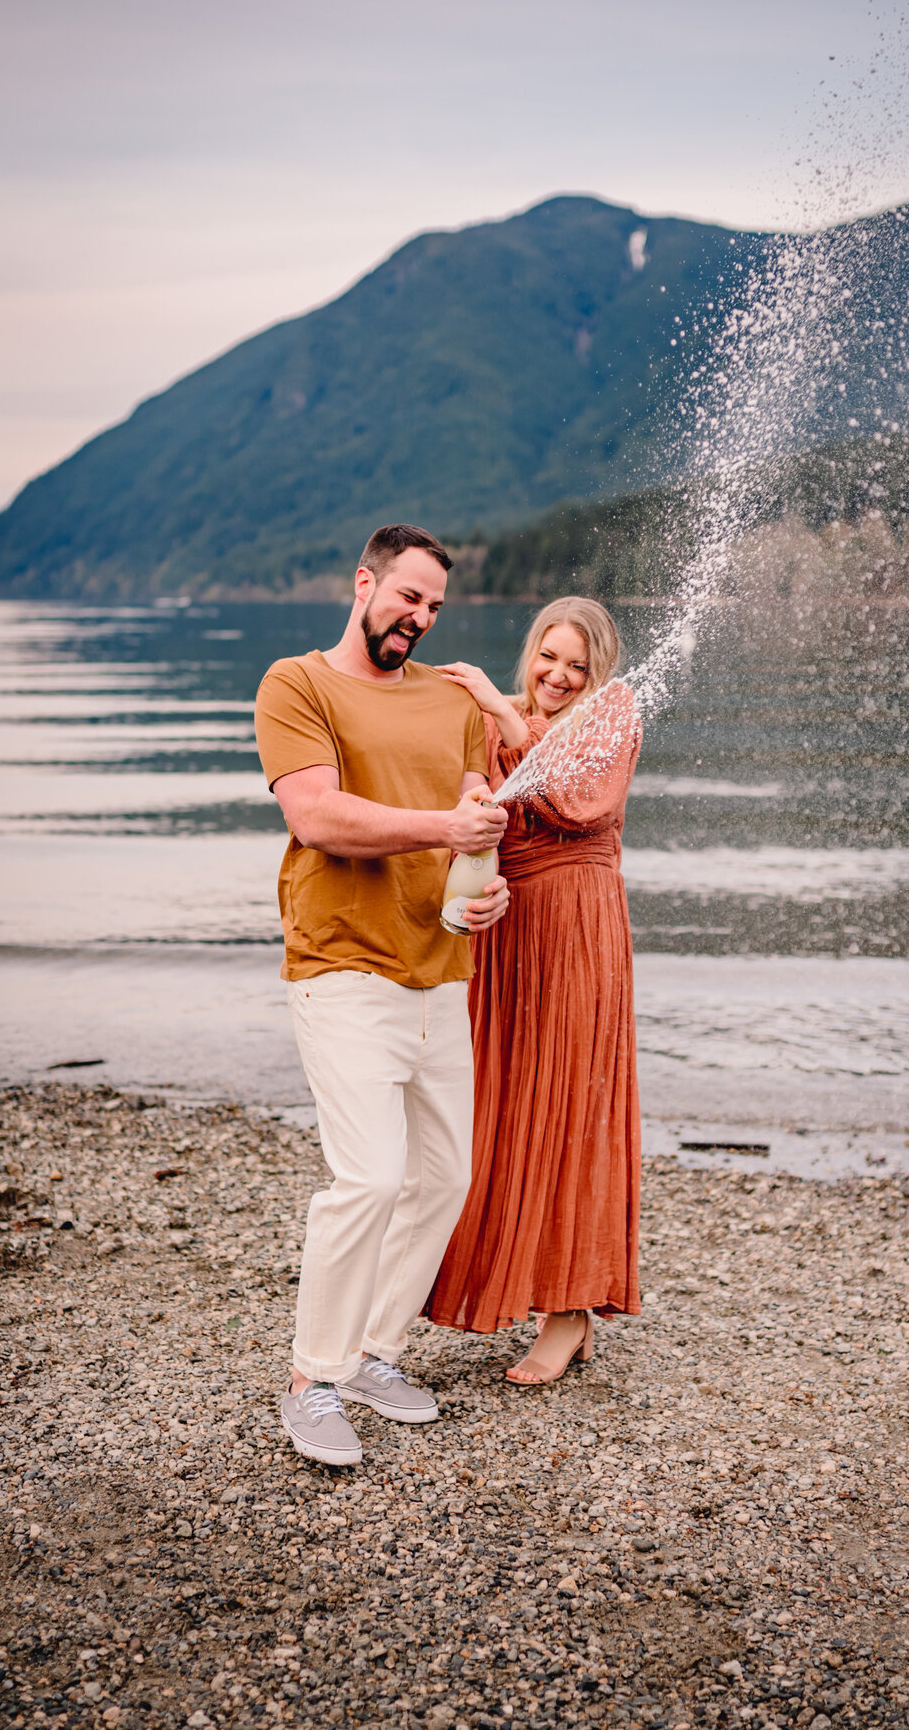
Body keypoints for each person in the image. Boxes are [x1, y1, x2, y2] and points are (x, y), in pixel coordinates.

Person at [254, 524, 510, 1465]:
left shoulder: (452, 703)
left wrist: (490, 883)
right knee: (366, 1179)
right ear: (364, 581)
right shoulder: (297, 683)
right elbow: (316, 815)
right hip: (341, 964)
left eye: (435, 605)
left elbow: (472, 827)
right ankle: (311, 1380)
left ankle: (373, 1353)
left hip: (439, 970)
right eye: (407, 596)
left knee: (444, 1176)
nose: (420, 617)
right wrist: (445, 823)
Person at [425, 597, 642, 1383]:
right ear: (532, 652)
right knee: (501, 1107)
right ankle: (506, 1284)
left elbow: (583, 798)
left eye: (577, 665)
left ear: (600, 673)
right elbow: (472, 808)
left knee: (572, 1107)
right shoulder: (497, 716)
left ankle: (573, 1309)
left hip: (578, 929)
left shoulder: (611, 714)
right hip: (507, 933)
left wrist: (504, 719)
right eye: (549, 657)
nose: (558, 675)